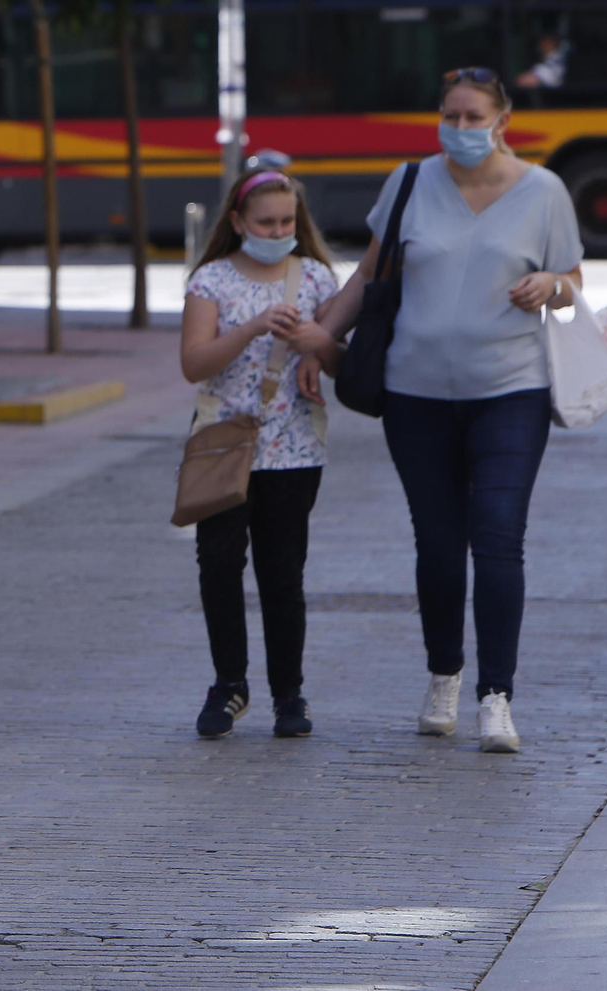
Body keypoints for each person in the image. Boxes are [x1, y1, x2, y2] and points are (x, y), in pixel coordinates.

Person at [301, 68, 583, 753]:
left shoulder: (544, 191)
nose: (460, 129)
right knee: (437, 542)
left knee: (497, 535)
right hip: (415, 395)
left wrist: (550, 283)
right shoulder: (407, 183)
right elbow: (369, 276)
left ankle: (497, 695)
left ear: (502, 121)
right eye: (450, 116)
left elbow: (573, 282)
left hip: (510, 390)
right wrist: (320, 339)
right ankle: (443, 675)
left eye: (473, 116)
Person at [180, 170, 342, 741]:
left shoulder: (317, 278)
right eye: (267, 222)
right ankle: (229, 684)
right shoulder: (213, 280)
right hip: (223, 446)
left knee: (283, 574)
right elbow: (194, 363)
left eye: (287, 222)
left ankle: (288, 693)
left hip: (295, 447)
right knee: (219, 567)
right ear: (238, 224)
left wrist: (318, 347)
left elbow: (345, 356)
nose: (278, 232)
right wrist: (251, 326)